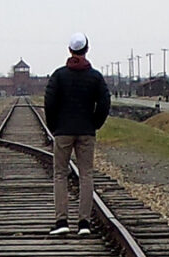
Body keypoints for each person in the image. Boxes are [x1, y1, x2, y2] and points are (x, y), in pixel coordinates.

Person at [44, 32, 111, 235]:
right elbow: (105, 102)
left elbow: (49, 102)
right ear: (86, 49)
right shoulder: (95, 77)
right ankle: (84, 223)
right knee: (86, 175)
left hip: (63, 131)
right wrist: (95, 123)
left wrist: (54, 126)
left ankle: (62, 221)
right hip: (86, 131)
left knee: (60, 175)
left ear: (70, 50)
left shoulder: (59, 75)